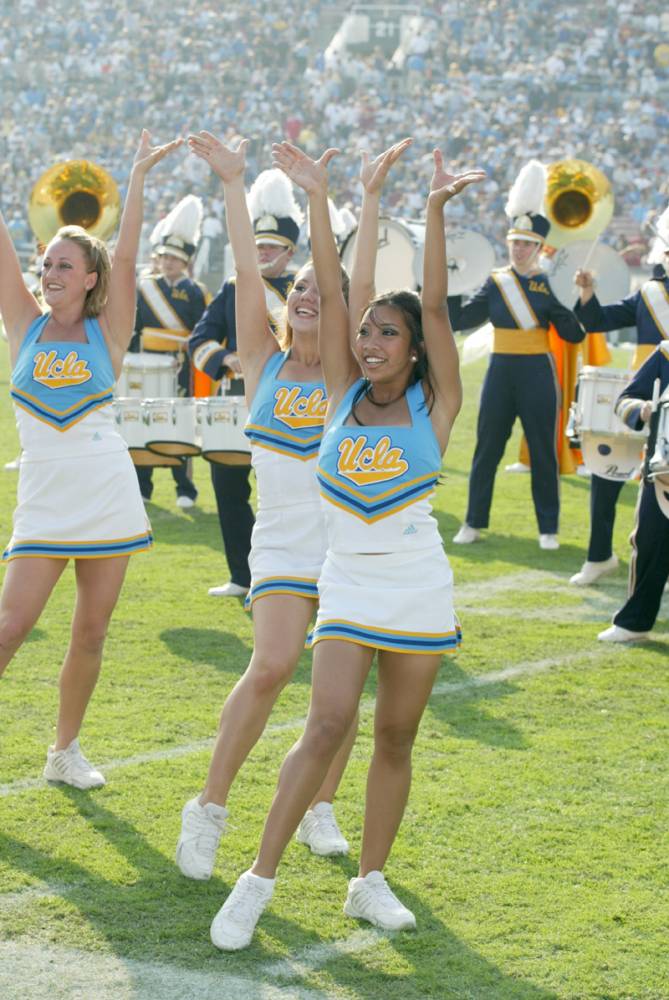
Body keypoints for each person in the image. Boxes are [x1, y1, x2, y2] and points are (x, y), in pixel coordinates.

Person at [206, 140, 484, 951]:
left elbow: (435, 306)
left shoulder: (435, 409)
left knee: (395, 738)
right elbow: (332, 285)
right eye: (363, 332)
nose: (368, 342)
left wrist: (431, 212)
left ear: (413, 347)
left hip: (417, 588)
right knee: (324, 725)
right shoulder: (336, 395)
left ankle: (369, 880)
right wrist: (334, 198)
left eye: (386, 334)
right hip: (347, 586)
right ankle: (256, 879)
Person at [175, 130, 362, 880]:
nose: (310, 295)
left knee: (338, 690)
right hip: (283, 544)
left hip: (348, 544)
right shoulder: (263, 360)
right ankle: (209, 807)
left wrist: (319, 197)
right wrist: (232, 184)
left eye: (324, 290)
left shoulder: (348, 371)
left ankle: (319, 804)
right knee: (274, 662)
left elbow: (339, 271)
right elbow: (246, 278)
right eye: (302, 291)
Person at [0, 130, 181, 787]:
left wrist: (134, 176)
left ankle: (63, 751)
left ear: (91, 278)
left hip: (106, 492)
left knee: (90, 634)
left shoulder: (110, 327)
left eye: (64, 267)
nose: (50, 275)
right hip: (45, 496)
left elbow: (128, 256)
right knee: (10, 626)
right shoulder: (25, 323)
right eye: (46, 264)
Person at [449, 160, 585, 551]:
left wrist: (569, 299)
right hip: (501, 369)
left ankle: (548, 529)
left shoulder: (549, 282)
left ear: (539, 247)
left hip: (537, 372)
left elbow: (574, 333)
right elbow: (461, 319)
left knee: (543, 450)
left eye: (527, 243)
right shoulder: (496, 282)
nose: (519, 249)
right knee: (487, 447)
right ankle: (473, 521)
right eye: (515, 242)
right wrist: (452, 284)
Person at [188, 170, 301, 597]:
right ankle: (242, 575)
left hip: (289, 402)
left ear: (289, 251)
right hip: (236, 397)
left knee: (287, 492)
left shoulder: (302, 288)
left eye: (272, 247)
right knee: (228, 488)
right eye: (258, 246)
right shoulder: (236, 288)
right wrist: (223, 359)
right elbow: (198, 339)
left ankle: (292, 577)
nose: (264, 252)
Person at [570, 231, 669, 586]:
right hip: (641, 394)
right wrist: (586, 291)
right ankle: (599, 556)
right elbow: (597, 321)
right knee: (606, 472)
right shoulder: (649, 293)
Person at [132, 195, 209, 508]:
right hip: (144, 366)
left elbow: (200, 333)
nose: (168, 263)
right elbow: (134, 329)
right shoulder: (144, 286)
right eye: (164, 257)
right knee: (142, 423)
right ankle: (143, 487)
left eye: (174, 259)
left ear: (185, 262)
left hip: (179, 367)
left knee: (178, 426)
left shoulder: (195, 291)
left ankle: (184, 488)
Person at [597, 341, 669, 642]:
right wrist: (643, 409)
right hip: (663, 472)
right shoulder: (666, 353)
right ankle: (635, 623)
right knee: (650, 541)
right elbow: (624, 400)